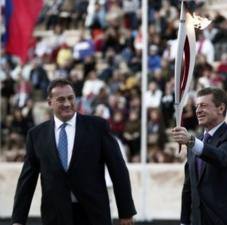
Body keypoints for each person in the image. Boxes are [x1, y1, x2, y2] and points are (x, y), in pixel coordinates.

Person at [11, 79, 136, 225]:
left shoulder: (97, 127)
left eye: (71, 98)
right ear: (50, 102)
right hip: (55, 216)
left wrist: (126, 212)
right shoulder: (36, 135)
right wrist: (18, 220)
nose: (67, 104)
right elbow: (27, 180)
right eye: (61, 99)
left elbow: (118, 170)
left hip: (93, 215)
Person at [171, 87, 227, 225]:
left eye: (204, 105)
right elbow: (189, 188)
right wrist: (184, 222)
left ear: (220, 108)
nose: (198, 110)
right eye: (197, 106)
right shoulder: (195, 143)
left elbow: (222, 158)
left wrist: (191, 141)